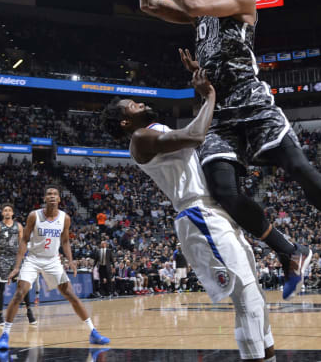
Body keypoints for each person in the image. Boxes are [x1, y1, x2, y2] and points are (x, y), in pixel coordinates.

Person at [131, 0, 321, 298]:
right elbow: (148, 4)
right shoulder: (204, 14)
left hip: (252, 102)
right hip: (219, 112)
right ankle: (290, 252)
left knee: (298, 166)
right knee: (224, 192)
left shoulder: (242, 0)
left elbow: (191, 2)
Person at [100, 69, 275, 362]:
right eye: (132, 104)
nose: (140, 103)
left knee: (253, 293)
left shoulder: (156, 129)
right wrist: (209, 95)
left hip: (210, 210)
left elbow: (196, 130)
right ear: (125, 121)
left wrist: (205, 78)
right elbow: (195, 135)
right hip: (197, 212)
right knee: (246, 298)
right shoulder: (141, 138)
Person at [0, 187, 109, 350]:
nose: (51, 196)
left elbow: (65, 242)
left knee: (70, 294)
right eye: (49, 194)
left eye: (55, 194)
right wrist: (17, 266)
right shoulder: (34, 215)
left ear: (59, 199)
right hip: (33, 258)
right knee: (20, 293)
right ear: (44, 198)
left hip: (52, 260)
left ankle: (93, 332)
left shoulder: (65, 218)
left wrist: (70, 260)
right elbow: (24, 240)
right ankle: (5, 334)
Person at [0, 204, 36, 326]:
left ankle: (29, 312)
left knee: (23, 286)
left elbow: (23, 242)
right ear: (2, 213)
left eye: (9, 210)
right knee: (1, 288)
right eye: (5, 210)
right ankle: (0, 315)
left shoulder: (18, 226)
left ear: (12, 213)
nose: (7, 212)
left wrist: (27, 255)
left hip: (16, 259)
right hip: (3, 259)